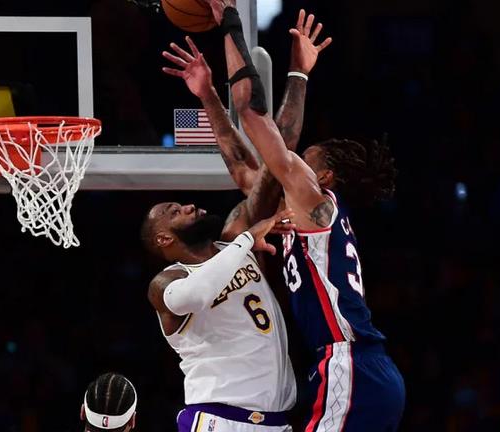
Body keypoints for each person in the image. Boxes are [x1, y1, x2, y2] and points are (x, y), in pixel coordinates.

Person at [202, 1, 405, 430]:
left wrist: (229, 23)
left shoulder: (316, 202)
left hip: (349, 362)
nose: (291, 161)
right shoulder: (303, 214)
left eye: (304, 159)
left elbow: (253, 113)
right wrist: (206, 95)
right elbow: (244, 170)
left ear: (324, 176)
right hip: (358, 368)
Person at [141, 192, 298, 432]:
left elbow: (255, 190)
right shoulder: (168, 280)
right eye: (175, 212)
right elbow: (195, 295)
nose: (189, 206)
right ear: (164, 238)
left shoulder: (235, 248)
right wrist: (247, 239)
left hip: (275, 420)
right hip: (219, 419)